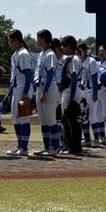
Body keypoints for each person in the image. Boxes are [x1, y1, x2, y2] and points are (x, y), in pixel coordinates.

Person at [6, 28, 35, 157]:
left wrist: (25, 92)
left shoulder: (23, 54)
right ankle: (20, 146)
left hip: (24, 89)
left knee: (24, 118)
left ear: (16, 40)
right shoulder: (15, 54)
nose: (9, 43)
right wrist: (10, 93)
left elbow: (29, 74)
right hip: (17, 89)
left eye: (10, 40)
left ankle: (24, 148)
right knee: (15, 118)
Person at [31, 29, 58, 158]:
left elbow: (51, 73)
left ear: (44, 39)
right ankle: (47, 147)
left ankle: (55, 147)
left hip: (49, 88)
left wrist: (45, 91)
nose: (37, 40)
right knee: (43, 120)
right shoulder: (41, 54)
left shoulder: (50, 54)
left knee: (51, 118)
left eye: (38, 38)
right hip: (40, 88)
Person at [58, 35, 83, 156]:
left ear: (71, 46)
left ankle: (76, 147)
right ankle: (69, 145)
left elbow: (73, 78)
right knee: (65, 119)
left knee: (71, 119)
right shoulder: (69, 58)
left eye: (65, 45)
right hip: (67, 90)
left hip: (72, 90)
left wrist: (72, 97)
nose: (62, 47)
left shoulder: (74, 59)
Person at [77, 43, 100, 147]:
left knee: (92, 116)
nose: (79, 53)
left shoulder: (92, 62)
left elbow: (95, 78)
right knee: (83, 116)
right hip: (81, 91)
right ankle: (87, 139)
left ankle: (96, 139)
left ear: (85, 51)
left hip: (90, 91)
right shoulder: (77, 62)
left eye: (80, 51)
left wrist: (95, 93)